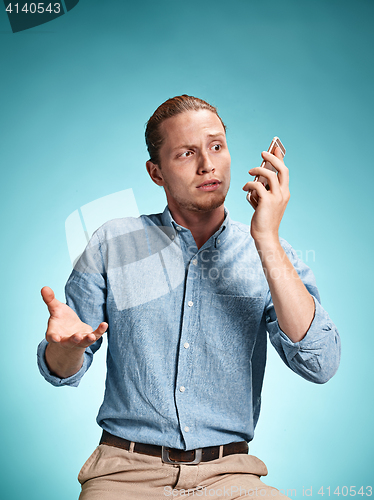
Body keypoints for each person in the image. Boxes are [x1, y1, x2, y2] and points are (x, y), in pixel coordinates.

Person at [37, 95, 341, 499]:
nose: (208, 165)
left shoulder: (271, 255)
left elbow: (320, 363)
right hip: (124, 476)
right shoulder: (114, 243)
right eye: (186, 154)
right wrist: (67, 347)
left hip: (231, 477)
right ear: (156, 172)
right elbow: (62, 369)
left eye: (216, 147)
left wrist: (266, 239)